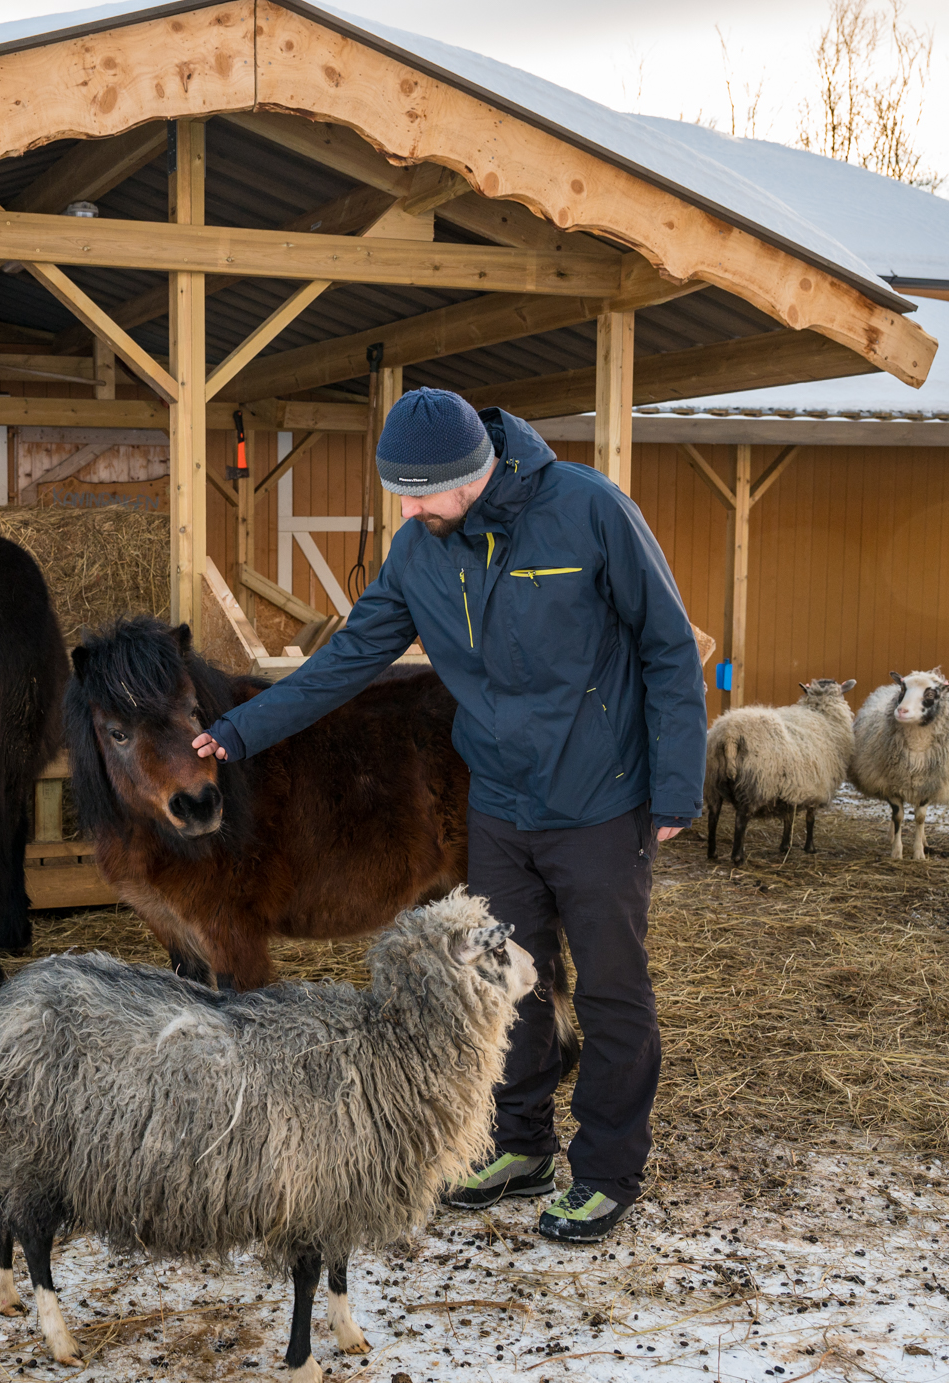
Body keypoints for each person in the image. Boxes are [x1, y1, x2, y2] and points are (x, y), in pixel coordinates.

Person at [191, 388, 707, 1243]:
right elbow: (347, 660)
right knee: (501, 980)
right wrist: (239, 731)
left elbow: (667, 643)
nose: (407, 510)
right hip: (498, 800)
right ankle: (519, 1144)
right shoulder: (418, 550)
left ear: (473, 472)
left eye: (419, 493)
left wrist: (678, 782)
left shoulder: (587, 510)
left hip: (600, 797)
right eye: (398, 492)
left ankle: (607, 1171)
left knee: (612, 988)